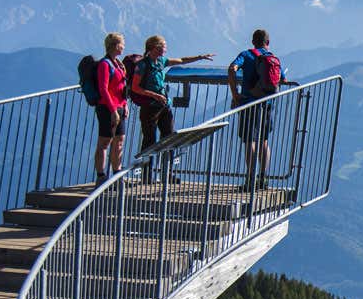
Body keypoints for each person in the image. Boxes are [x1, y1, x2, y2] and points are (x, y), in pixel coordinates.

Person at [133, 34, 214, 182]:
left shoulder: (161, 62)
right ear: (154, 47)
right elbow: (135, 87)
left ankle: (167, 173)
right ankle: (147, 175)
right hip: (149, 107)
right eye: (162, 45)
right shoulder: (143, 65)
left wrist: (200, 57)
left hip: (163, 105)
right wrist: (154, 95)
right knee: (149, 140)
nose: (165, 48)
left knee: (169, 138)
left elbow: (182, 60)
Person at [228, 29, 286, 190]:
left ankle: (250, 179)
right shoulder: (273, 58)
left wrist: (235, 95)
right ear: (268, 42)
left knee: (249, 141)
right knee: (264, 141)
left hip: (249, 103)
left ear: (253, 41)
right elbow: (282, 78)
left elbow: (232, 68)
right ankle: (263, 178)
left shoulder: (246, 55)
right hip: (267, 104)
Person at [93, 32, 129, 184]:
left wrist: (125, 105)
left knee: (119, 140)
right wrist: (113, 110)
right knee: (105, 142)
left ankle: (116, 174)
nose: (124, 46)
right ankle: (101, 176)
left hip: (119, 106)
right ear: (115, 45)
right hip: (107, 108)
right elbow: (103, 88)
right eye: (122, 44)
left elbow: (122, 87)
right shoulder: (104, 64)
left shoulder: (118, 64)